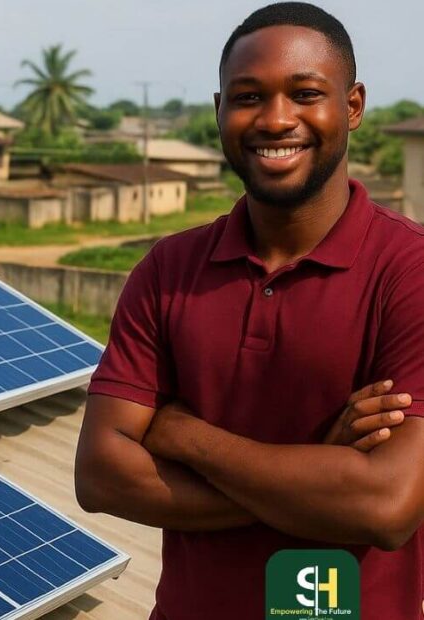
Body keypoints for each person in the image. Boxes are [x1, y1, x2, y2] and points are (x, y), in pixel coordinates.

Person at [74, 3, 424, 618]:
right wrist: (321, 467)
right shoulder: (168, 271)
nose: (276, 119)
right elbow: (102, 477)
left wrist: (186, 435)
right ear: (219, 112)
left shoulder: (409, 272)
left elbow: (386, 507)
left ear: (354, 106)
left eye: (306, 92)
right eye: (247, 96)